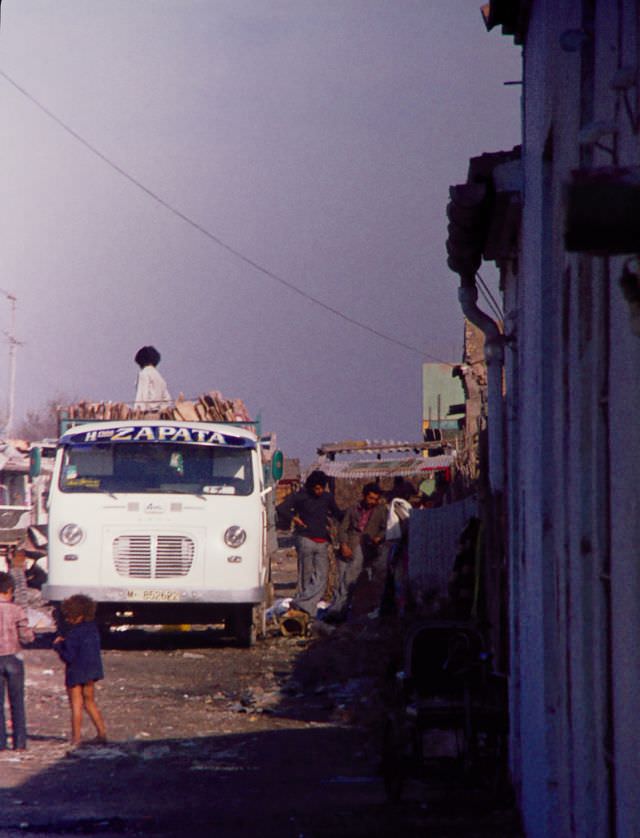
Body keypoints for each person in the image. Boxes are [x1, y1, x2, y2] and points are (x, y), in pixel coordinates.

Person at [276, 470, 342, 618]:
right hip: (305, 539)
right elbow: (281, 508)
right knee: (305, 576)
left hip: (322, 541)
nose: (319, 491)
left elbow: (338, 514)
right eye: (316, 488)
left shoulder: (327, 498)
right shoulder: (300, 496)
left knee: (321, 577)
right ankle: (305, 610)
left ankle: (301, 603)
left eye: (321, 488)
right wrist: (295, 518)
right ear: (311, 486)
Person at [324, 483, 387, 622]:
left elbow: (385, 528)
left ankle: (341, 610)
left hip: (367, 548)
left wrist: (379, 537)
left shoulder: (381, 511)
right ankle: (338, 611)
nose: (372, 502)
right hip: (349, 546)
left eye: (375, 499)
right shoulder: (353, 509)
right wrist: (344, 544)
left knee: (350, 581)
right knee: (341, 581)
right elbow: (343, 528)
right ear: (364, 496)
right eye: (370, 498)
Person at [53, 594, 107, 749]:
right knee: (90, 702)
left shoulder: (73, 634)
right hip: (92, 670)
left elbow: (68, 656)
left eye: (71, 617)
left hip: (75, 671)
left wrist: (58, 646)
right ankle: (102, 734)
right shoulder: (93, 629)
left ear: (79, 616)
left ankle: (76, 738)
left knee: (76, 704)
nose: (68, 619)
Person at [0, 569, 34, 750]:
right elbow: (26, 637)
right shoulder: (17, 610)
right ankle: (20, 742)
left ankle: (1, 743)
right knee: (17, 702)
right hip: (13, 658)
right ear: (10, 590)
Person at [134, 345, 172, 411]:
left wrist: (137, 412)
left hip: (146, 415)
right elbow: (167, 399)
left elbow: (142, 396)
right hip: (158, 415)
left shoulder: (144, 373)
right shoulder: (159, 377)